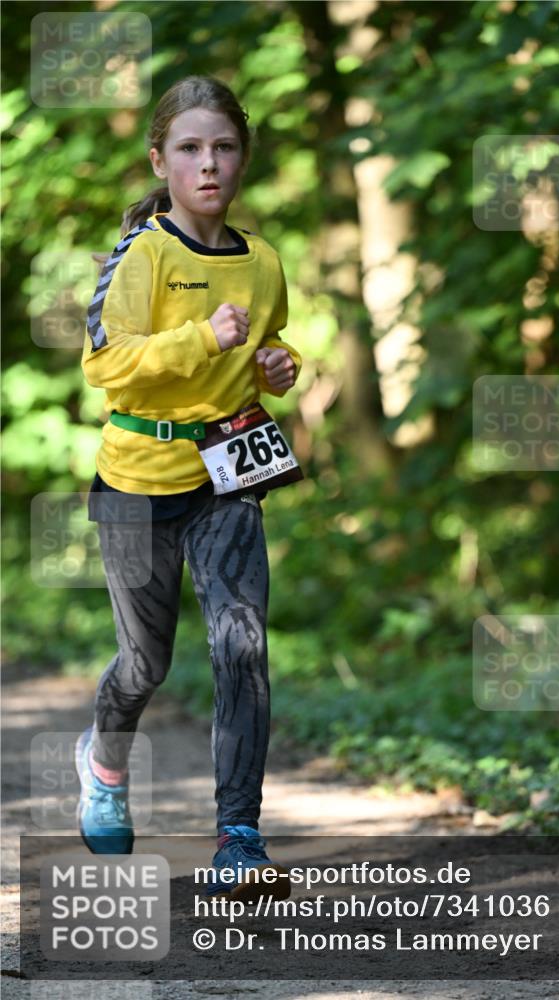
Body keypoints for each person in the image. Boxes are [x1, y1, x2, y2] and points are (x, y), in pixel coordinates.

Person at [76, 75, 302, 902]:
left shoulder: (265, 260)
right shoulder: (142, 254)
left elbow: (269, 350)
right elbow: (106, 364)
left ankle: (239, 836)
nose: (209, 165)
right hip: (136, 481)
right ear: (161, 161)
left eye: (224, 147)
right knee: (146, 663)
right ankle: (102, 764)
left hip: (228, 479)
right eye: (190, 149)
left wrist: (281, 366)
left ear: (243, 157)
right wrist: (198, 337)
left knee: (242, 646)